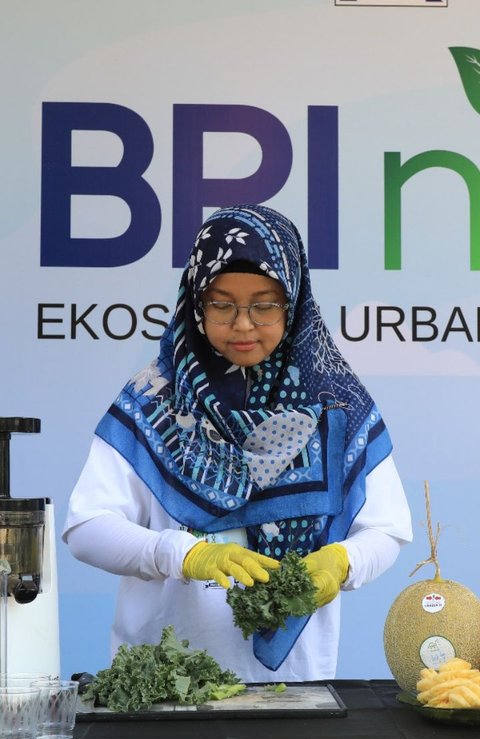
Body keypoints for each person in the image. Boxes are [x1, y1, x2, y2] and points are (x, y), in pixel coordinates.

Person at [63, 204, 412, 682]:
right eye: (221, 304)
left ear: (293, 302)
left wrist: (343, 561)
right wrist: (182, 555)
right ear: (195, 302)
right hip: (165, 683)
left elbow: (387, 528)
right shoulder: (152, 402)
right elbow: (86, 528)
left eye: (264, 304)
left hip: (294, 687)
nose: (243, 324)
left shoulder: (337, 407)